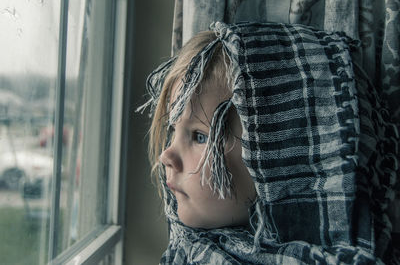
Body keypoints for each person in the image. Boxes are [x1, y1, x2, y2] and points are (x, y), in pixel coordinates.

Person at [139, 21, 399, 264]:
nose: (166, 155)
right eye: (173, 129)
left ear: (280, 164)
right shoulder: (187, 251)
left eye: (200, 136)